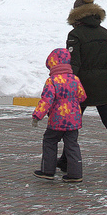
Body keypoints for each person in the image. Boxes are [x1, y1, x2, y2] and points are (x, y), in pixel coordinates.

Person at [60, 0, 107, 177]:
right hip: (105, 85)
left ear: (76, 15)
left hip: (82, 87)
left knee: (72, 123)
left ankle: (67, 160)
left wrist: (67, 87)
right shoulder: (106, 34)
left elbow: (73, 64)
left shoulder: (75, 35)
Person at [32, 47, 86, 183]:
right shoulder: (75, 79)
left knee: (50, 141)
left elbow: (46, 100)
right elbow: (82, 96)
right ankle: (75, 174)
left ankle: (48, 170)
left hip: (57, 120)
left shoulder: (52, 81)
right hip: (73, 120)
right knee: (72, 145)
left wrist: (37, 115)